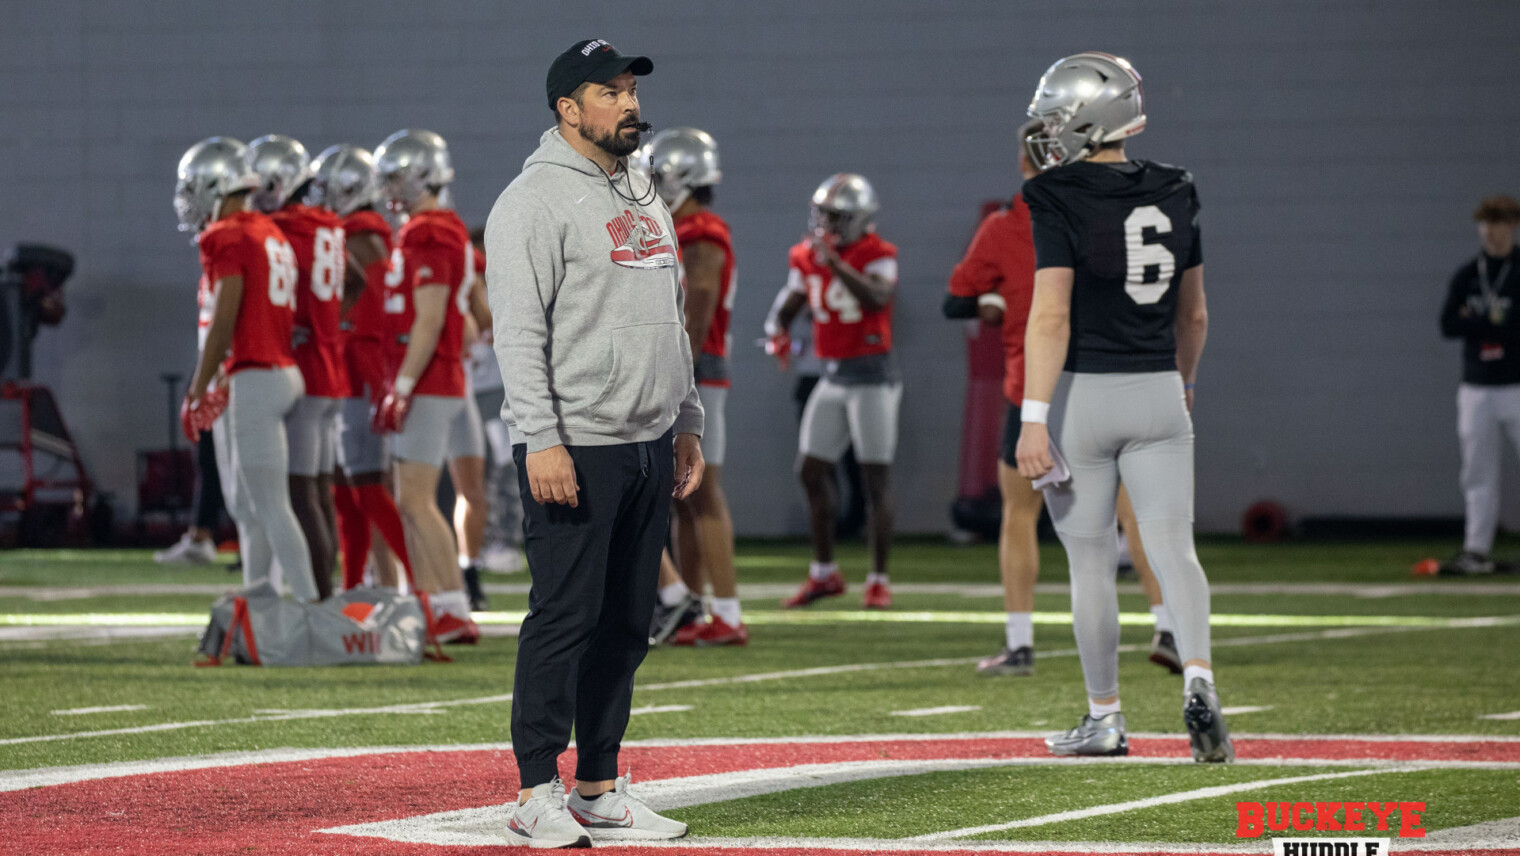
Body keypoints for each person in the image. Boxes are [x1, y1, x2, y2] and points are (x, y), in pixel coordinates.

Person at [486, 39, 702, 847]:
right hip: (573, 443)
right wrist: (539, 438)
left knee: (625, 622)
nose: (629, 104)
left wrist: (688, 421)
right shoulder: (530, 202)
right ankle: (533, 789)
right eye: (609, 93)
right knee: (563, 617)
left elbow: (670, 317)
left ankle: (599, 788)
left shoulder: (645, 189)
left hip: (648, 442)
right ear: (567, 110)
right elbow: (517, 334)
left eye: (630, 91)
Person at [1014, 52, 1232, 762]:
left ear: (1083, 119)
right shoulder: (1177, 186)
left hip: (1084, 395)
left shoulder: (1058, 194)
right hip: (1161, 389)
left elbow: (1050, 316)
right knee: (1175, 549)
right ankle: (1199, 676)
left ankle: (1105, 717)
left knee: (1088, 564)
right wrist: (1185, 383)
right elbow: (1194, 315)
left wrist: (1033, 418)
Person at [944, 121, 1181, 677]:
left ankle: (1021, 643)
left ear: (1026, 163)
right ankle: (1168, 626)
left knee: (1020, 517)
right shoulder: (1107, 213)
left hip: (1031, 389)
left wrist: (994, 298)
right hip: (1103, 381)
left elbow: (956, 300)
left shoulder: (1007, 225)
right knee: (1133, 518)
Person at [173, 136, 316, 602]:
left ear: (218, 184)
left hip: (254, 373)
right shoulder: (264, 228)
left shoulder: (227, 234)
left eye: (195, 187)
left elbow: (224, 318)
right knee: (250, 507)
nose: (189, 198)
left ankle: (312, 605)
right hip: (276, 370)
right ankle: (260, 599)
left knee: (269, 505)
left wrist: (198, 386)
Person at [766, 174, 900, 610]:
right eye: (822, 214)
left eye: (836, 216)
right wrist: (777, 331)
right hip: (832, 376)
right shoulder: (806, 256)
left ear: (860, 220)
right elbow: (791, 300)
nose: (825, 223)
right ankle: (824, 573)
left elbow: (879, 298)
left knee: (874, 479)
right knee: (809, 470)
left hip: (873, 377)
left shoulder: (878, 254)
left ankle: (878, 579)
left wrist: (837, 265)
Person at [371, 128, 478, 642]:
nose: (389, 188)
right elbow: (474, 318)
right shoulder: (438, 227)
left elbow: (432, 317)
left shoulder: (430, 231)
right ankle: (435, 602)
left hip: (429, 379)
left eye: (396, 177)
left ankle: (452, 605)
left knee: (414, 499)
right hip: (436, 377)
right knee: (407, 496)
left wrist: (405, 382)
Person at [646, 127, 746, 647]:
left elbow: (699, 310)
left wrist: (674, 376)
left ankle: (728, 612)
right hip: (686, 370)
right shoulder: (677, 226)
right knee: (684, 496)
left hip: (697, 372)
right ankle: (694, 603)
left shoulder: (703, 231)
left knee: (702, 493)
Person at [305, 143, 414, 593]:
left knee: (366, 487)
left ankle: (424, 587)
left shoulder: (359, 235)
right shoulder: (369, 233)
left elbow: (356, 316)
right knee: (348, 494)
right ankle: (351, 588)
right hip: (357, 371)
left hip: (360, 371)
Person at [248, 134, 343, 601]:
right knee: (320, 490)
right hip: (329, 364)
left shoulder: (282, 226)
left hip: (302, 366)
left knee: (301, 492)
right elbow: (358, 282)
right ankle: (330, 590)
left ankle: (321, 600)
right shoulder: (326, 222)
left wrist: (297, 324)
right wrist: (328, 323)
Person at [1440, 194, 1520, 575]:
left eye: (1499, 223)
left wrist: (1482, 321)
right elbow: (1447, 324)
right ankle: (1476, 549)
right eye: (1485, 224)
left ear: (1513, 226)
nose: (1491, 232)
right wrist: (1491, 325)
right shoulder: (1468, 274)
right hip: (1476, 387)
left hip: (1517, 384)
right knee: (1477, 472)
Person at [466, 227, 528, 576]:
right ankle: (485, 544)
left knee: (505, 466)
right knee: (473, 473)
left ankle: (502, 540)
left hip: (496, 387)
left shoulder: (506, 285)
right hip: (465, 385)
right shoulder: (463, 285)